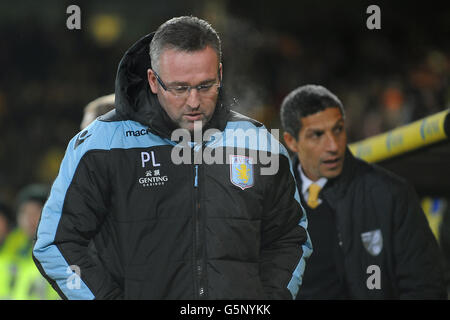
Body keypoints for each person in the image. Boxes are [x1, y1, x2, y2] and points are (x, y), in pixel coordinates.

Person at [33, 16, 311, 300]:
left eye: (205, 86)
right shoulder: (102, 144)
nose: (193, 101)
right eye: (179, 88)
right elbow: (55, 243)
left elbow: (290, 238)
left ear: (220, 75)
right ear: (153, 80)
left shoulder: (260, 143)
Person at [280, 84, 446, 299]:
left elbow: (424, 287)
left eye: (338, 129)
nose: (333, 145)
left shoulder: (389, 195)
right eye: (317, 135)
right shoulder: (267, 202)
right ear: (292, 142)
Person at [0, 184, 58, 299]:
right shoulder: (9, 246)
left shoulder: (61, 250)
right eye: (24, 212)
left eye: (36, 211)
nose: (29, 218)